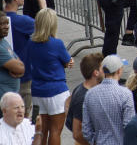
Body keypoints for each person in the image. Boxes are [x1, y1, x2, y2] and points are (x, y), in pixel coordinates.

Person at [25, 9, 70, 145]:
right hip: (56, 91)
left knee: (39, 130)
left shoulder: (30, 43)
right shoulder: (57, 44)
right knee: (55, 131)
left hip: (37, 92)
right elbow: (67, 61)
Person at [82, 55, 135, 145]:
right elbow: (129, 127)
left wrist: (94, 141)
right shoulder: (126, 94)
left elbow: (86, 129)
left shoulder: (90, 94)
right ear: (119, 71)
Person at [65, 52, 103, 145]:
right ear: (96, 73)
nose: (106, 71)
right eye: (103, 68)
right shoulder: (83, 97)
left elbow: (67, 104)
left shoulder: (83, 88)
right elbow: (77, 133)